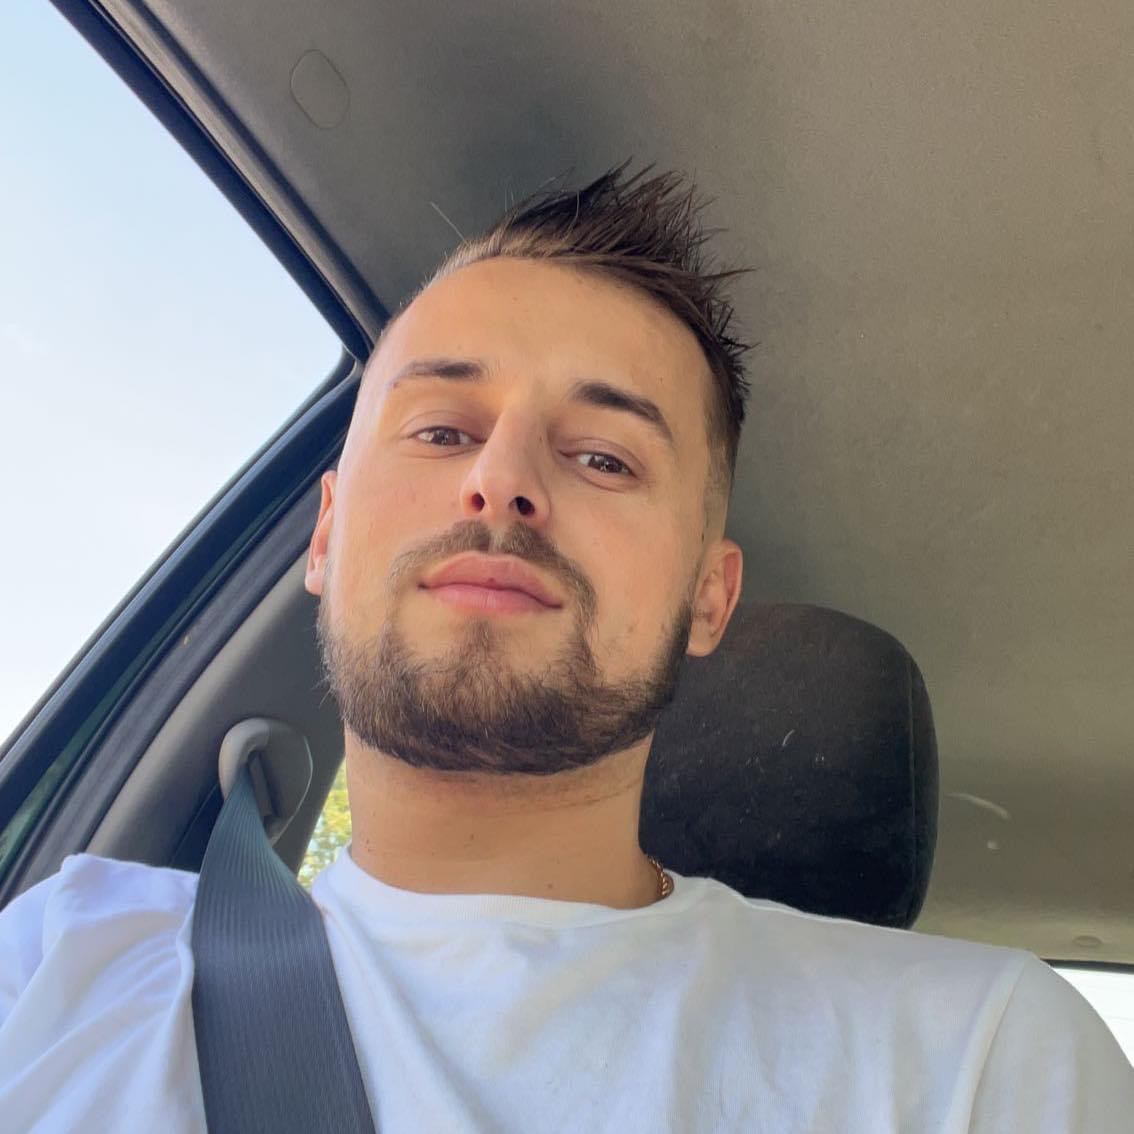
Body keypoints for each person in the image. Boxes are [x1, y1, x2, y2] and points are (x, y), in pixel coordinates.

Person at [1, 164, 1132, 1132]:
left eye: (604, 458)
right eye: (441, 429)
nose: (501, 479)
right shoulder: (57, 964)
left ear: (708, 597)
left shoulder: (979, 1063)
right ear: (326, 535)